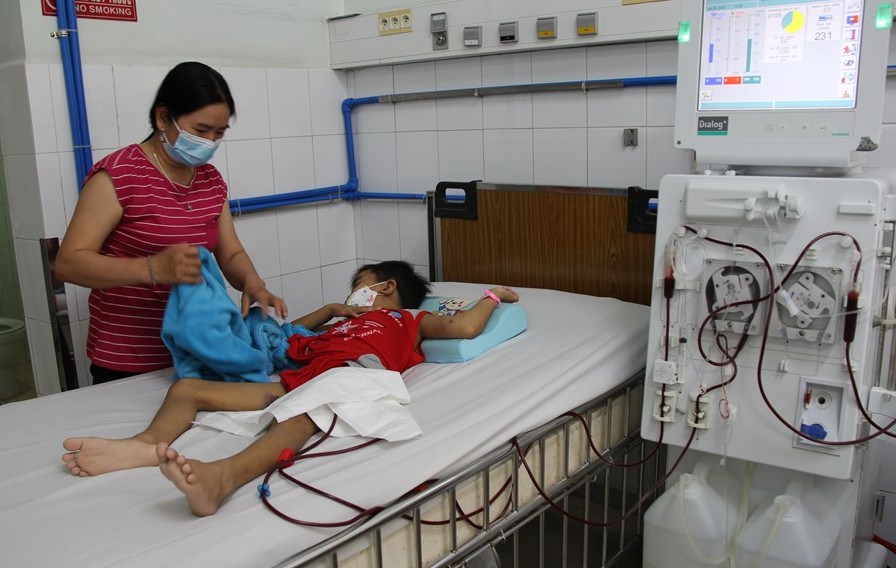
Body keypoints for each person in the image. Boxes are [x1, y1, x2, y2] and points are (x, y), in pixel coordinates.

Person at [61, 261, 520, 517]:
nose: (354, 295)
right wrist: (329, 310)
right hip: (298, 378)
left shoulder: (406, 319)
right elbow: (288, 338)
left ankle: (225, 476)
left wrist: (493, 295)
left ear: (385, 286)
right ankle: (145, 444)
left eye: (358, 287)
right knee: (188, 388)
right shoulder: (337, 325)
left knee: (304, 413)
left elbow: (462, 325)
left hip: (352, 377)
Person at [55, 61, 287, 385]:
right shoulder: (118, 175)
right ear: (163, 118)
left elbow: (229, 253)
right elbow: (68, 264)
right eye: (201, 131)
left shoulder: (210, 179)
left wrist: (253, 284)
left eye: (219, 134)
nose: (209, 142)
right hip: (131, 360)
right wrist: (151, 269)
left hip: (201, 351)